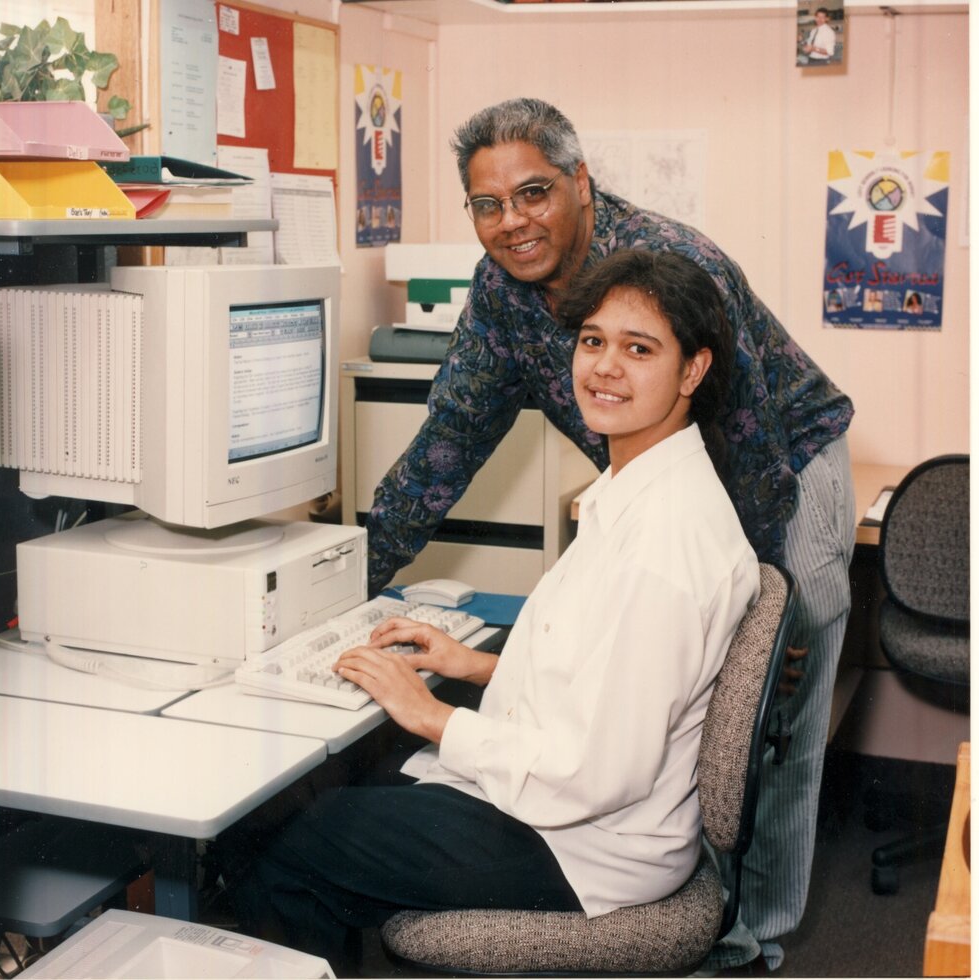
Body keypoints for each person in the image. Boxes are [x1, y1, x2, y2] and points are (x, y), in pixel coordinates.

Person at [365, 98, 856, 973]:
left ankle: (756, 938)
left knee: (774, 711)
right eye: (489, 204)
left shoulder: (674, 265)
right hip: (657, 473)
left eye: (535, 193)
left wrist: (760, 620)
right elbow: (446, 446)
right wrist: (350, 579)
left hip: (786, 459)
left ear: (581, 184)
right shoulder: (500, 294)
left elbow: (747, 452)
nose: (513, 222)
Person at [231, 250, 760, 977]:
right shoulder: (640, 485)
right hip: (581, 808)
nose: (604, 367)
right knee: (325, 797)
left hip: (584, 844)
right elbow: (612, 672)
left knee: (289, 845)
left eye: (639, 349)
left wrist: (434, 715)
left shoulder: (663, 549)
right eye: (593, 341)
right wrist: (471, 663)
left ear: (692, 371)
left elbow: (601, 771)